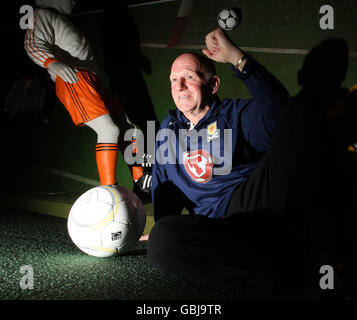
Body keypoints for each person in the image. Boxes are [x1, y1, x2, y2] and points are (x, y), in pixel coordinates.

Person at [146, 28, 305, 295]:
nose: (180, 87)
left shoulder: (236, 115)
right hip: (214, 230)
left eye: (189, 77)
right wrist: (163, 227)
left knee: (290, 143)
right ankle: (275, 275)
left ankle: (286, 259)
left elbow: (281, 117)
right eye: (174, 79)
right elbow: (165, 192)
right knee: (162, 241)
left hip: (252, 208)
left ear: (212, 85)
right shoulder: (166, 131)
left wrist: (239, 60)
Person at [24, 0, 141, 189]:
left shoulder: (61, 19)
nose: (75, 0)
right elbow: (32, 43)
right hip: (73, 79)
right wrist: (52, 63)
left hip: (91, 79)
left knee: (131, 129)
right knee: (109, 130)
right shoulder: (41, 14)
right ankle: (109, 189)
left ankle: (141, 180)